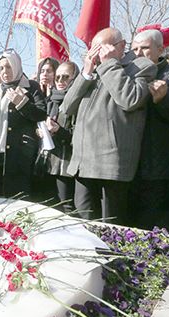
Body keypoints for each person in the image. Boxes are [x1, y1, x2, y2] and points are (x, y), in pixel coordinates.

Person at [60, 27, 157, 225]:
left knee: (110, 223)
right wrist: (86, 73)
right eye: (94, 49)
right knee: (83, 216)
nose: (98, 53)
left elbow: (130, 99)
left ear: (121, 46)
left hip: (110, 163)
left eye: (103, 48)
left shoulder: (141, 66)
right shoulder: (93, 70)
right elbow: (67, 107)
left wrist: (110, 64)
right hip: (83, 162)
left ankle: (112, 257)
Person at [130, 29, 169, 234]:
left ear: (160, 49)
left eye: (145, 48)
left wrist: (162, 101)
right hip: (130, 167)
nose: (139, 53)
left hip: (163, 168)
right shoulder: (128, 75)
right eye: (135, 48)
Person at [0, 49, 47, 197]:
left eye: (9, 66)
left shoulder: (31, 86)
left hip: (21, 153)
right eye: (1, 68)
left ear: (17, 65)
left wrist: (21, 102)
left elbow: (41, 114)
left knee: (20, 198)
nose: (5, 71)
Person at [46, 61, 79, 213]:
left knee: (67, 209)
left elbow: (79, 136)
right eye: (57, 77)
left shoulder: (77, 101)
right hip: (50, 163)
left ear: (74, 78)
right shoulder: (52, 100)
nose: (60, 81)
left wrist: (58, 130)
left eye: (65, 77)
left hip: (67, 165)